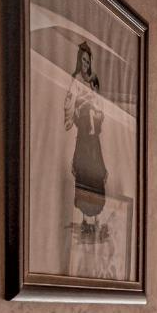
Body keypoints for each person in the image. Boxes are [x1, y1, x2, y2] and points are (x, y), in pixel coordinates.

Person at [63, 41, 109, 250]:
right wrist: (74, 116)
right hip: (84, 133)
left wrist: (97, 114)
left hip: (93, 134)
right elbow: (70, 102)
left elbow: (100, 105)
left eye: (87, 61)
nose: (85, 64)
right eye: (82, 60)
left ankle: (96, 218)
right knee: (83, 173)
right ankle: (84, 220)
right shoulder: (76, 81)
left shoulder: (93, 81)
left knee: (97, 172)